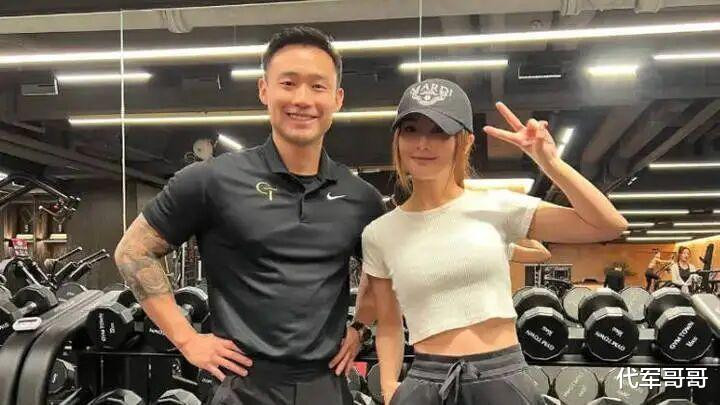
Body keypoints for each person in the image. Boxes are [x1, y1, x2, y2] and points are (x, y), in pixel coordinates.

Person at [113, 26, 384, 405]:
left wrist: (360, 327)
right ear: (264, 90)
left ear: (337, 98)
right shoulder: (210, 180)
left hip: (325, 385)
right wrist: (187, 339)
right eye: (288, 83)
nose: (302, 99)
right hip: (243, 385)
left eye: (317, 86)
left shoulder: (361, 197)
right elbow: (133, 251)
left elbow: (381, 269)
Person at [363, 78, 627, 405]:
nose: (423, 143)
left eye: (440, 132)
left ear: (465, 142)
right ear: (397, 139)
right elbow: (388, 323)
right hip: (424, 383)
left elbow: (608, 225)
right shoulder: (380, 233)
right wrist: (390, 387)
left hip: (501, 379)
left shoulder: (496, 206)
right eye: (411, 130)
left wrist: (550, 162)